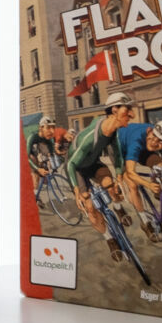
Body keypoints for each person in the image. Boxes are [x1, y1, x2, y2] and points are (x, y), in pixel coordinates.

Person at [63, 94, 137, 261]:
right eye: (128, 110)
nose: (132, 115)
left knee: (111, 185)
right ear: (114, 110)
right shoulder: (91, 136)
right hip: (76, 168)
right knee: (90, 207)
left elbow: (117, 156)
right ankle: (109, 239)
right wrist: (76, 192)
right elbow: (71, 165)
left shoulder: (113, 131)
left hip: (92, 163)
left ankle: (117, 208)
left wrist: (119, 176)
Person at [111, 118, 162, 241]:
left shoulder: (161, 139)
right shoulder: (136, 140)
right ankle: (144, 221)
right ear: (150, 130)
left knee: (160, 165)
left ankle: (158, 193)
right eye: (154, 137)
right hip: (121, 150)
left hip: (142, 147)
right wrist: (148, 184)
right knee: (133, 186)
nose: (155, 142)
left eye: (160, 141)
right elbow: (130, 172)